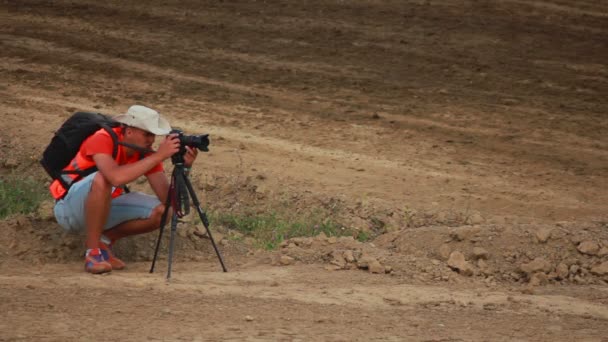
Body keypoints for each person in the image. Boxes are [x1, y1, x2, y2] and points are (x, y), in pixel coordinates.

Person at [50, 105, 198, 274]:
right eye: (147, 134)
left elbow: (170, 201)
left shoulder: (146, 153)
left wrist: (185, 167)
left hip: (101, 207)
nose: (151, 140)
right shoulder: (101, 138)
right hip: (69, 210)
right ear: (129, 131)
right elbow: (115, 178)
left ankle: (103, 242)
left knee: (164, 211)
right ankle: (92, 253)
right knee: (104, 178)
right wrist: (159, 156)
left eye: (153, 135)